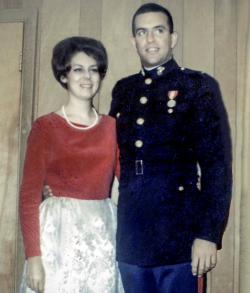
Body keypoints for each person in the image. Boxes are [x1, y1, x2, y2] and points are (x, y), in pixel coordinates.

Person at [108, 3, 232, 293]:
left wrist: (208, 234)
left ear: (172, 38)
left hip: (180, 235)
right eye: (142, 32)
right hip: (132, 235)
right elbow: (107, 156)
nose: (150, 39)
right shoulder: (123, 90)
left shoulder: (197, 85)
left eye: (158, 31)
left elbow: (216, 164)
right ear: (133, 41)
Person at [19, 36, 124, 293]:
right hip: (57, 238)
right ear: (64, 76)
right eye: (78, 69)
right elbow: (28, 197)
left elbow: (131, 182)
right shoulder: (46, 127)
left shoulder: (113, 127)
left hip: (102, 237)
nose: (87, 77)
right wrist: (34, 258)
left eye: (93, 69)